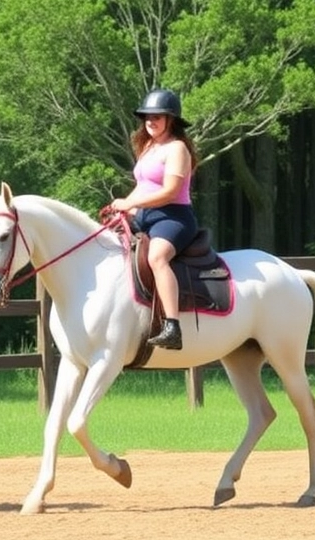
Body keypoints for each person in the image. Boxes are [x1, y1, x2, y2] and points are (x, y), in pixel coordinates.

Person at [109, 88, 199, 350]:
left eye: (157, 116)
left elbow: (170, 191)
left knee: (157, 258)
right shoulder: (148, 146)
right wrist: (124, 209)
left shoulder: (177, 149)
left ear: (171, 120)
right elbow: (143, 186)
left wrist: (132, 203)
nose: (150, 121)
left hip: (174, 217)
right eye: (147, 116)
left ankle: (172, 326)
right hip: (145, 214)